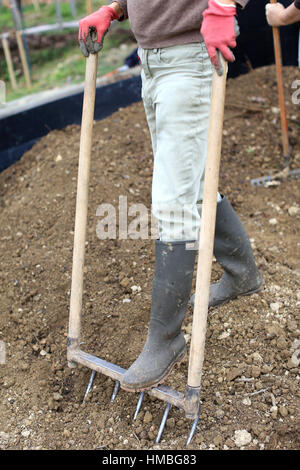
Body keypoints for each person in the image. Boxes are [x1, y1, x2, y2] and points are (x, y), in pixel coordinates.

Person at [78, 0, 264, 392]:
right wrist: (116, 9)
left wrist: (223, 6)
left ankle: (166, 339)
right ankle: (242, 275)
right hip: (152, 62)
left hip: (191, 58)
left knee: (172, 203)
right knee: (193, 187)